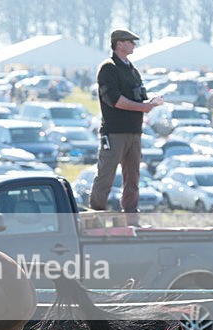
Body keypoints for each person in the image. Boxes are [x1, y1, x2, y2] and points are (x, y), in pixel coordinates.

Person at [89, 29, 163, 226]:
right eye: (130, 41)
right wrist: (143, 107)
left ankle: (131, 219)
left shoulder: (132, 69)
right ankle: (95, 219)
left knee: (133, 178)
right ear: (119, 43)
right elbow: (115, 100)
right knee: (106, 175)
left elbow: (138, 96)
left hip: (134, 132)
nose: (134, 45)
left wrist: (151, 101)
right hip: (114, 132)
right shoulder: (108, 68)